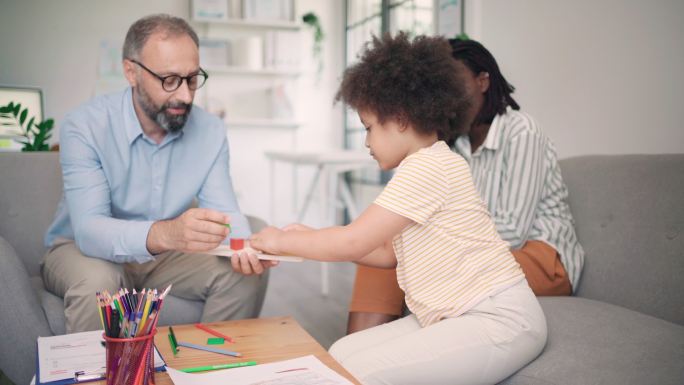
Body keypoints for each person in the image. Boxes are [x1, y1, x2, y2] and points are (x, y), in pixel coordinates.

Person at [248, 32, 547, 385]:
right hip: (453, 315)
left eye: (369, 128)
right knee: (342, 353)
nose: (366, 142)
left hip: (497, 318)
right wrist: (311, 236)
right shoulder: (425, 164)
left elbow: (352, 242)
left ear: (401, 118)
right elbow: (387, 251)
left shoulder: (429, 167)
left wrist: (280, 242)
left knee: (354, 372)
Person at [42, 14, 274, 333]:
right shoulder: (84, 126)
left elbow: (225, 211)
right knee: (100, 281)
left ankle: (211, 371)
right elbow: (89, 230)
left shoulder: (210, 130)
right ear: (131, 72)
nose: (185, 96)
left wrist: (246, 245)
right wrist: (166, 234)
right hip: (82, 250)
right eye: (169, 80)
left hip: (166, 256)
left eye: (192, 78)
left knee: (241, 267)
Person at [347, 37, 586, 334]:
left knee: (412, 260)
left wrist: (433, 248)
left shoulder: (522, 131)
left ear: (483, 81)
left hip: (542, 258)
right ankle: (351, 369)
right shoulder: (452, 144)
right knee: (382, 263)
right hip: (481, 251)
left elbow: (513, 229)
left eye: (455, 84)